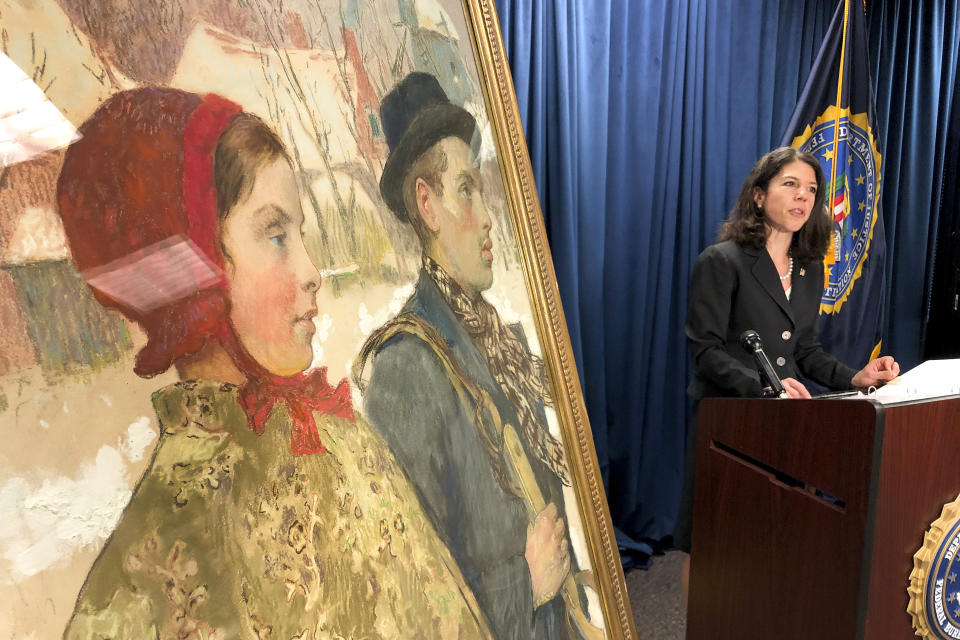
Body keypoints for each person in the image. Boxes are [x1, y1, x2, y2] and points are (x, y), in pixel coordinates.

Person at [57, 87, 491, 639]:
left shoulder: (340, 437)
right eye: (277, 235)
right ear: (198, 277)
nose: (313, 272)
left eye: (300, 234)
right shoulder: (164, 543)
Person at [353, 72, 590, 639]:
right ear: (426, 205)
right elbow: (414, 594)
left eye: (480, 189)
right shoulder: (405, 367)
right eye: (465, 189)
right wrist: (526, 582)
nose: (487, 217)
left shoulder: (503, 342)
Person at [676, 145, 899, 594]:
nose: (803, 197)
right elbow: (706, 352)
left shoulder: (810, 269)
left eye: (812, 190)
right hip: (731, 422)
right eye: (790, 184)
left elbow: (806, 350)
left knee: (770, 542)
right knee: (711, 545)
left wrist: (856, 377)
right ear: (759, 196)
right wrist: (766, 389)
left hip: (789, 426)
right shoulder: (722, 261)